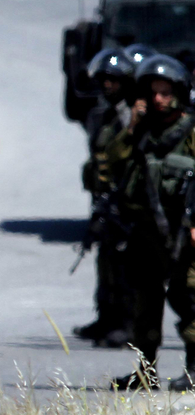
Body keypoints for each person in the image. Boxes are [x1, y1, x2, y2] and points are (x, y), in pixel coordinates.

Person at [102, 54, 195, 390]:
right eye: (152, 92)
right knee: (145, 302)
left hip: (184, 233)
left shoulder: (190, 132)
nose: (157, 99)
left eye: (164, 91)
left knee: (189, 299)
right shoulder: (139, 131)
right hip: (145, 232)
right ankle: (145, 371)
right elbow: (108, 164)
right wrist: (131, 127)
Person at [73, 48, 136, 348]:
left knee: (125, 264)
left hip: (126, 201)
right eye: (104, 79)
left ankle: (126, 324)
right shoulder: (103, 115)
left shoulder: (131, 115)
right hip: (106, 200)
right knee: (106, 261)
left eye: (114, 80)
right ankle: (107, 317)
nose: (108, 85)